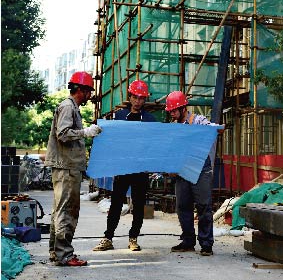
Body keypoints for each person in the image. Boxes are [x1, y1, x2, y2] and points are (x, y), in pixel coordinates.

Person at [45, 71, 102, 266]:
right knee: (67, 211)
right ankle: (64, 255)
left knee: (60, 210)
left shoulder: (71, 107)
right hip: (66, 167)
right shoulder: (68, 107)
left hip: (66, 166)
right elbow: (63, 134)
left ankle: (56, 252)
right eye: (88, 91)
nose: (90, 96)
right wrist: (85, 132)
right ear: (81, 90)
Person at [93, 79, 156, 252]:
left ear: (145, 100)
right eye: (135, 97)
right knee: (116, 204)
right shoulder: (119, 117)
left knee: (138, 204)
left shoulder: (150, 120)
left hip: (141, 169)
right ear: (130, 97)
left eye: (142, 98)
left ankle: (133, 238)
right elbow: (111, 141)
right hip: (122, 167)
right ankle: (108, 238)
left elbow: (154, 144)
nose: (138, 101)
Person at [165, 91, 222, 256]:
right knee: (183, 206)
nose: (173, 113)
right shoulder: (175, 127)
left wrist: (215, 129)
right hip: (182, 169)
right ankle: (188, 241)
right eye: (171, 111)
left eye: (175, 110)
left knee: (203, 206)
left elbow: (214, 129)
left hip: (200, 168)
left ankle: (206, 244)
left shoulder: (199, 121)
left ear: (184, 108)